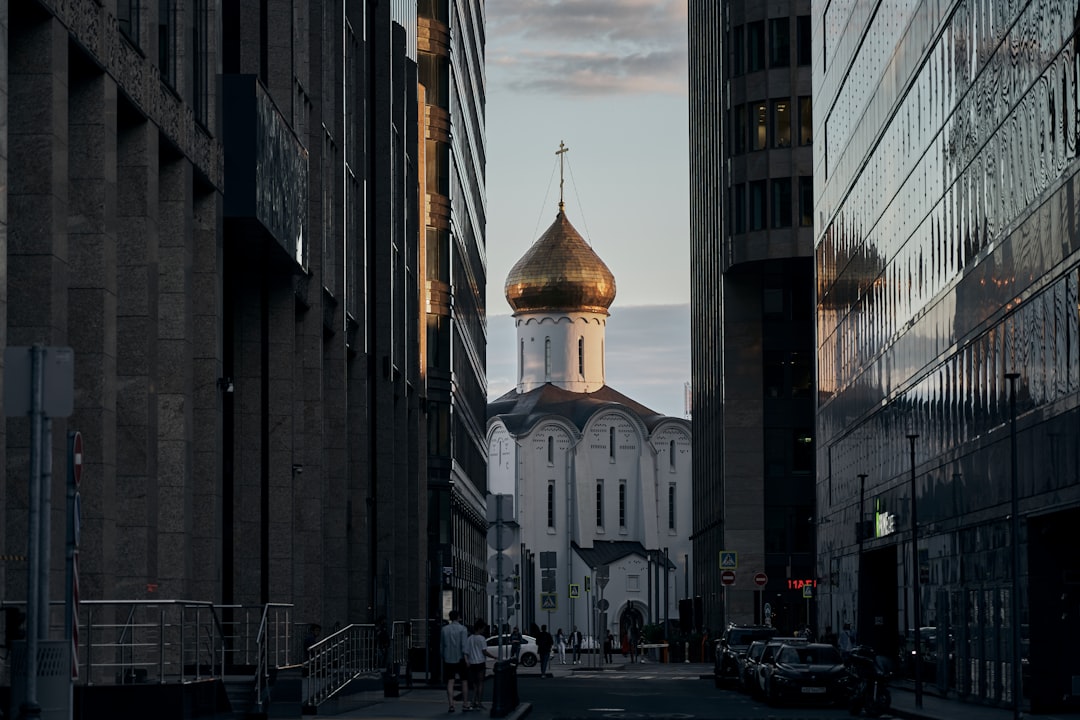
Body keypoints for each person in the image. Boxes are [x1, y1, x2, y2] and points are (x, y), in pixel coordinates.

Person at [441, 610, 470, 712]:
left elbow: (442, 646)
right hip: (460, 658)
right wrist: (466, 658)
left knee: (450, 681)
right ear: (458, 617)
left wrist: (443, 656)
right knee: (464, 681)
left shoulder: (444, 629)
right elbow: (464, 645)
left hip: (448, 658)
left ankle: (451, 704)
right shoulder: (463, 629)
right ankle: (465, 704)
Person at [465, 620, 494, 710]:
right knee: (480, 683)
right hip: (480, 662)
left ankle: (473, 701)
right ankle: (479, 702)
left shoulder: (469, 638)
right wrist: (494, 657)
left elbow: (466, 652)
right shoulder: (481, 639)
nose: (484, 630)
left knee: (474, 684)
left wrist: (467, 662)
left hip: (472, 663)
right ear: (480, 628)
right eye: (483, 628)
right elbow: (484, 652)